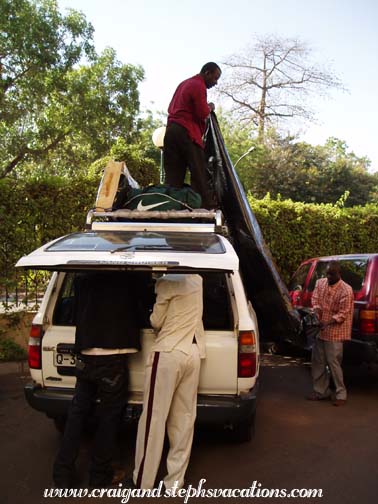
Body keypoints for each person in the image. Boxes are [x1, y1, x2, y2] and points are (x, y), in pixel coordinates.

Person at [53, 272, 141, 488]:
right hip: (114, 357)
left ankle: (62, 474)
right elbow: (141, 311)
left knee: (77, 413)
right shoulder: (131, 277)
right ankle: (99, 475)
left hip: (85, 352)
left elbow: (75, 309)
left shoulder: (83, 277)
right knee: (109, 416)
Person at [132, 274, 206, 490]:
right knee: (183, 419)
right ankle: (174, 482)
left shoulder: (166, 282)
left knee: (153, 419)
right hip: (193, 353)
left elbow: (156, 321)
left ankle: (143, 481)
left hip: (167, 353)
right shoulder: (198, 280)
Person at [163, 62, 222, 209]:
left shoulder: (184, 83)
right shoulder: (198, 85)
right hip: (187, 131)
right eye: (215, 78)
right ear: (207, 73)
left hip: (171, 131)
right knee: (199, 170)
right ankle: (205, 207)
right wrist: (210, 107)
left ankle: (170, 205)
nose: (216, 82)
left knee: (173, 174)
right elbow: (202, 112)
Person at [307, 261, 354, 406]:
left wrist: (326, 323)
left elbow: (343, 314)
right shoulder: (320, 283)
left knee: (334, 364)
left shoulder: (346, 290)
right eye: (327, 273)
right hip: (321, 330)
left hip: (335, 331)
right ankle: (321, 391)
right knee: (318, 362)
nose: (328, 276)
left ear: (339, 274)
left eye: (331, 274)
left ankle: (341, 394)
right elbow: (315, 300)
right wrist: (316, 313)